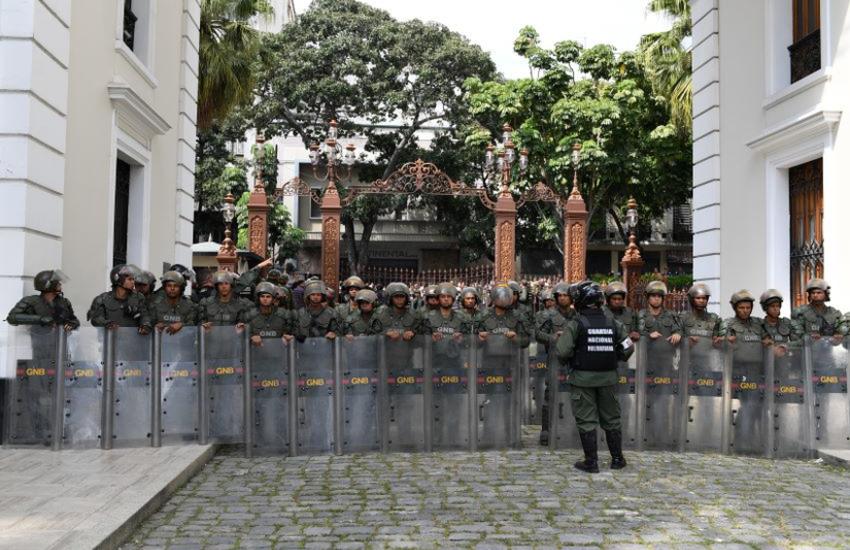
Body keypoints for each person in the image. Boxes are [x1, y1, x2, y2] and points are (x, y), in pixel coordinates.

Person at [555, 280, 634, 473]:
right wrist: (616, 357)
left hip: (582, 380)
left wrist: (570, 359)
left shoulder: (576, 324)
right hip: (608, 379)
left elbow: (562, 351)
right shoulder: (613, 323)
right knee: (612, 418)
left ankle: (591, 462)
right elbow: (629, 346)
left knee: (586, 419)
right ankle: (617, 459)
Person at [535, 281, 574, 446]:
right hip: (555, 358)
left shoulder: (577, 315)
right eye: (561, 296)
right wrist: (552, 337)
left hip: (574, 359)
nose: (563, 298)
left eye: (566, 295)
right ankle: (546, 430)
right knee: (550, 393)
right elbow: (537, 333)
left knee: (576, 393)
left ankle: (574, 428)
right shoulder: (548, 315)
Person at [6, 269, 80, 331]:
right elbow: (12, 318)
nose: (60, 284)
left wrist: (73, 324)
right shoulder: (30, 301)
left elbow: (73, 319)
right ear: (48, 285)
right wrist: (40, 319)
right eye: (57, 283)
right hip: (40, 343)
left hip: (61, 344)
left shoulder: (64, 302)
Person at [87, 264, 151, 333]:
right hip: (109, 340)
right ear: (118, 279)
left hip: (132, 340)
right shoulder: (103, 299)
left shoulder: (138, 298)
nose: (133, 282)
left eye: (133, 279)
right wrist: (107, 323)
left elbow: (145, 315)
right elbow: (96, 319)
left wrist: (145, 325)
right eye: (129, 279)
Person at [792, 278, 846, 345]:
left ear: (826, 294)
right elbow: (796, 337)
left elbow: (842, 333)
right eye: (813, 293)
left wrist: (838, 336)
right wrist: (809, 338)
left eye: (819, 292)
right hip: (806, 352)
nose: (815, 295)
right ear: (809, 295)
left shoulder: (834, 313)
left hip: (828, 352)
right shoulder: (800, 312)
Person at [248, 282, 293, 346]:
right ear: (258, 298)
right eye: (262, 296)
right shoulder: (250, 315)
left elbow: (290, 332)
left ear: (273, 299)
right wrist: (251, 337)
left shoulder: (283, 315)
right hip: (257, 352)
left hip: (278, 351)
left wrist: (287, 336)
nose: (265, 299)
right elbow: (244, 335)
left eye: (268, 296)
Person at [679, 283, 723, 348]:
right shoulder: (683, 317)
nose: (701, 301)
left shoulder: (714, 318)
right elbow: (675, 339)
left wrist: (720, 340)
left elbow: (719, 340)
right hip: (688, 356)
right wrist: (686, 341)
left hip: (707, 356)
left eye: (704, 298)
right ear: (692, 299)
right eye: (698, 298)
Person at [638, 281, 682, 345]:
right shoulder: (641, 314)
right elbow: (637, 332)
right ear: (648, 298)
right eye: (653, 296)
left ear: (662, 298)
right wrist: (649, 335)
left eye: (659, 296)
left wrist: (678, 334)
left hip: (668, 352)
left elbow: (679, 329)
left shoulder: (671, 314)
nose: (657, 299)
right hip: (648, 352)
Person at [759, 289, 801, 356]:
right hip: (765, 362)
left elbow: (799, 342)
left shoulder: (787, 323)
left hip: (784, 361)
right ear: (765, 308)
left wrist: (784, 346)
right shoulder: (759, 325)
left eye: (778, 306)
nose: (776, 309)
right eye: (772, 306)